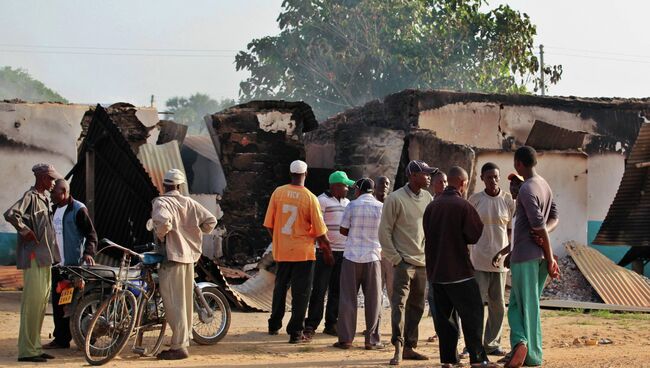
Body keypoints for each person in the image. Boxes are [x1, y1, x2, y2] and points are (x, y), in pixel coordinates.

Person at [424, 166, 497, 367]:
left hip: (437, 273)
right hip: (460, 272)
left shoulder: (432, 206)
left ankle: (447, 359)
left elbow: (428, 236)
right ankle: (477, 358)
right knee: (472, 314)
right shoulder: (462, 206)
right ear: (463, 184)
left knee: (445, 320)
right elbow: (474, 234)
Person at [151, 169, 217, 360]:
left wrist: (162, 235)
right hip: (189, 257)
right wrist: (194, 233)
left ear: (164, 185)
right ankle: (183, 338)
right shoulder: (190, 203)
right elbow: (210, 221)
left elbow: (163, 222)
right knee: (186, 302)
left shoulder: (161, 202)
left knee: (174, 303)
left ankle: (179, 346)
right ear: (180, 186)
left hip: (172, 257)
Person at [265, 160, 332, 344]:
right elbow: (320, 231)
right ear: (306, 174)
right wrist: (328, 249)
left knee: (280, 287)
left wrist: (278, 239)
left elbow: (269, 225)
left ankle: (274, 324)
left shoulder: (278, 193)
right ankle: (295, 333)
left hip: (282, 250)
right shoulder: (310, 198)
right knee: (301, 294)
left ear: (290, 173)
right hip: (303, 253)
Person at [505, 146, 560, 368]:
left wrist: (550, 259)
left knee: (522, 306)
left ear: (519, 163)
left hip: (526, 257)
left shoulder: (527, 189)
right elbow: (554, 218)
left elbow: (539, 226)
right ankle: (525, 349)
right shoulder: (544, 185)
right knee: (525, 304)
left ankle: (526, 349)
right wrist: (545, 249)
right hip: (534, 257)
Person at [379, 160, 437, 365]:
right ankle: (398, 346)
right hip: (403, 262)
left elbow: (430, 229)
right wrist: (396, 259)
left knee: (418, 306)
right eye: (425, 173)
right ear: (412, 176)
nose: (429, 177)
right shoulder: (395, 199)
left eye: (429, 174)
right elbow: (384, 231)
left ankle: (410, 347)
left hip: (422, 262)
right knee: (399, 305)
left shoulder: (428, 197)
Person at [4, 163, 63, 362]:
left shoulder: (44, 199)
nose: (53, 182)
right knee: (31, 304)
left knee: (39, 305)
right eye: (50, 179)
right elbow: (11, 214)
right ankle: (27, 351)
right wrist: (25, 231)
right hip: (34, 258)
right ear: (41, 178)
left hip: (45, 258)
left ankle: (35, 347)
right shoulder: (30, 197)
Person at [468, 163, 515, 357]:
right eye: (489, 177)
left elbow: (511, 230)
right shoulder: (475, 200)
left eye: (496, 177)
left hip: (501, 263)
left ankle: (492, 343)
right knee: (476, 304)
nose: (493, 181)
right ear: (482, 179)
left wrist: (508, 252)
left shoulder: (508, 200)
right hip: (479, 259)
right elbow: (467, 228)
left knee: (497, 305)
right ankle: (473, 343)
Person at [45, 179, 97, 350]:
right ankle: (61, 339)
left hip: (75, 267)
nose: (51, 195)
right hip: (58, 266)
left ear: (64, 191)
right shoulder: (53, 210)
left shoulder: (78, 209)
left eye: (54, 192)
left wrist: (88, 253)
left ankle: (89, 338)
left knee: (80, 304)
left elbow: (91, 235)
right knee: (59, 303)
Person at [334, 178, 384, 350]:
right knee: (374, 300)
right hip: (373, 256)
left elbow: (343, 229)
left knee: (348, 298)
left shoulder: (352, 206)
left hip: (351, 256)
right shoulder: (380, 207)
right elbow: (385, 232)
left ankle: (346, 339)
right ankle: (371, 340)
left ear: (359, 190)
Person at [304, 171, 354, 338]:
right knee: (319, 289)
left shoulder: (348, 202)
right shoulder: (321, 201)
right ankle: (311, 324)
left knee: (337, 290)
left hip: (343, 252)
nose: (347, 188)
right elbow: (317, 227)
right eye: (345, 185)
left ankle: (331, 323)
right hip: (325, 252)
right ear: (335, 186)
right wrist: (326, 250)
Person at [373, 176, 393, 301]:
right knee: (376, 291)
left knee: (393, 291)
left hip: (391, 254)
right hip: (375, 253)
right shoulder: (370, 204)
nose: (384, 186)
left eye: (387, 184)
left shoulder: (393, 203)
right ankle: (376, 320)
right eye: (381, 183)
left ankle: (396, 320)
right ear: (375, 186)